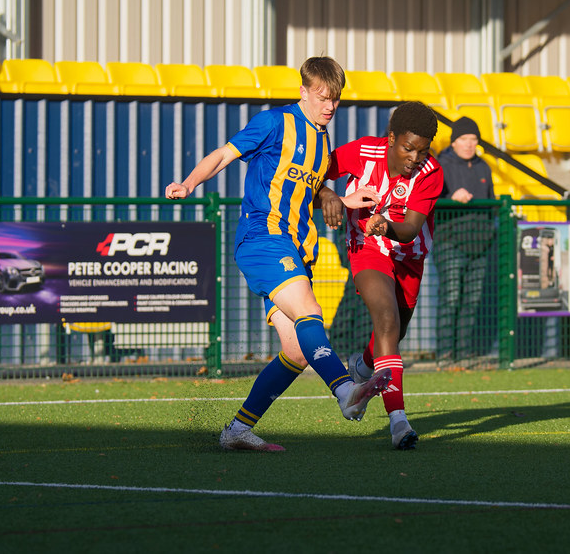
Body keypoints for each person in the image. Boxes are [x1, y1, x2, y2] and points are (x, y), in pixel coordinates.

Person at [165, 56, 392, 452]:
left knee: (296, 352)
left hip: (296, 246)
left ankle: (236, 431)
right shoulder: (274, 123)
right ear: (303, 91)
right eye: (322, 97)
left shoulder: (322, 141)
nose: (329, 106)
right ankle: (345, 391)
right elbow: (223, 154)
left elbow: (305, 194)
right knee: (310, 310)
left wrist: (344, 199)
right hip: (263, 238)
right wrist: (189, 183)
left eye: (335, 99)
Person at [322, 101, 442, 450]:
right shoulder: (361, 152)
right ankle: (399, 422)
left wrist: (386, 225)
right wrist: (328, 194)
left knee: (394, 332)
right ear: (391, 138)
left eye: (423, 150)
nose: (415, 158)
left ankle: (362, 367)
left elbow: (410, 230)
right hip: (367, 247)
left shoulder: (432, 172)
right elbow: (313, 174)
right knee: (387, 320)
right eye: (408, 148)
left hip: (409, 256)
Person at [432, 117, 495, 360]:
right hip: (450, 242)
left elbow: (492, 204)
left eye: (473, 139)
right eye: (464, 139)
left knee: (472, 301)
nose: (469, 144)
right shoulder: (441, 166)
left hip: (480, 244)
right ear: (454, 142)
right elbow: (428, 203)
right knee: (451, 298)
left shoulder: (484, 167)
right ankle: (445, 353)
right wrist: (450, 199)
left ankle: (464, 352)